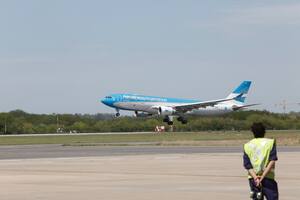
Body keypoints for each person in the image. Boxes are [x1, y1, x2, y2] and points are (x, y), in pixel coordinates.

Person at [243, 122, 279, 200]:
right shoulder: (270, 143)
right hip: (268, 178)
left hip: (253, 179)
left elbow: (247, 165)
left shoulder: (247, 145)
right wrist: (262, 177)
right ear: (264, 131)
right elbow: (272, 160)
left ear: (252, 132)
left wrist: (256, 178)